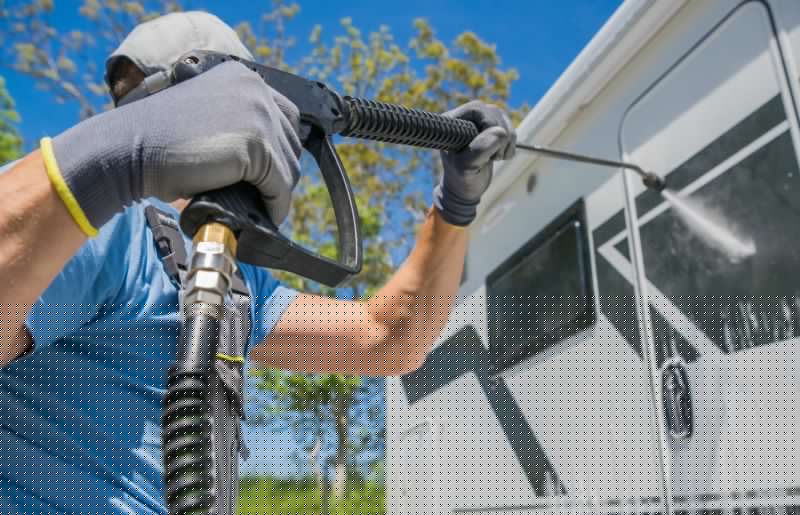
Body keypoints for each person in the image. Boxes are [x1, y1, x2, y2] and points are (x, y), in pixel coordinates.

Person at [0, 10, 516, 515]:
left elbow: (388, 340)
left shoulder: (234, 283)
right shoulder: (99, 229)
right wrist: (105, 164)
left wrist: (454, 207)